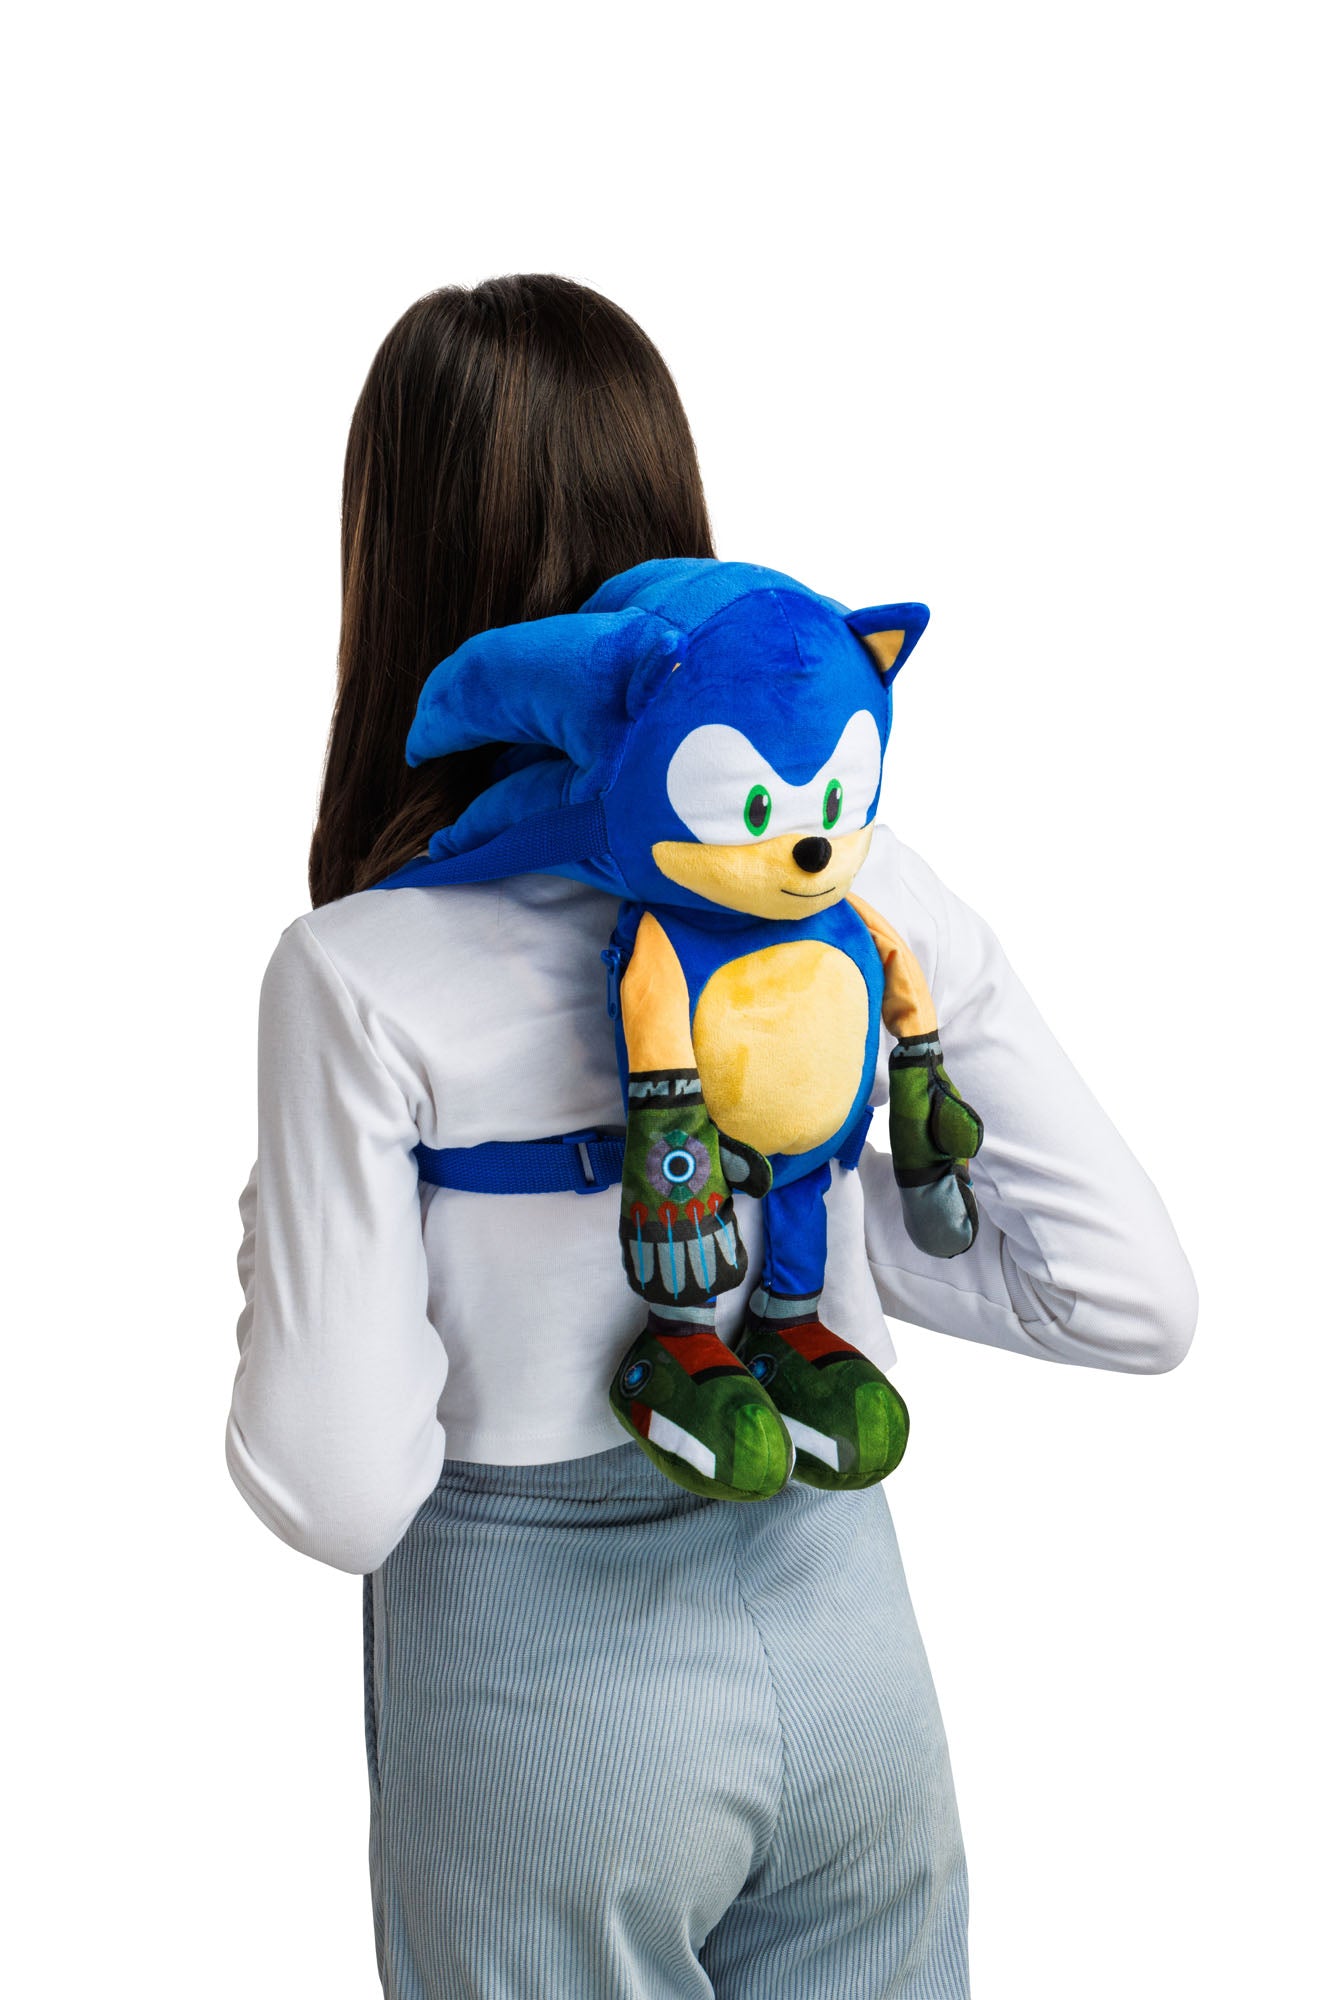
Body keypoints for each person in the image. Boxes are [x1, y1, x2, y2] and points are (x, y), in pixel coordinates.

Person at [226, 274, 1197, 2000]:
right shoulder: (858, 893)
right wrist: (806, 1185)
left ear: (395, 575)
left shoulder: (361, 973)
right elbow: (1130, 1297)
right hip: (852, 1664)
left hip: (547, 1715)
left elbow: (334, 1485)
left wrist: (290, 1257)